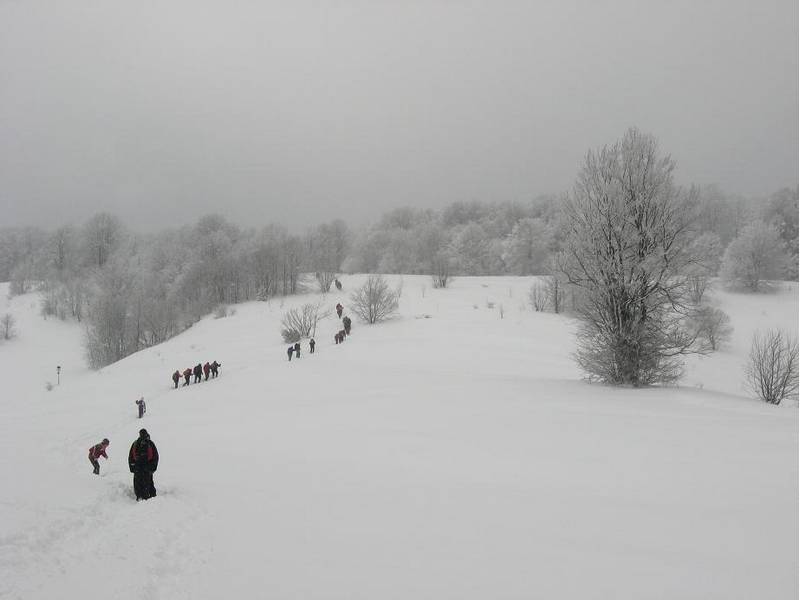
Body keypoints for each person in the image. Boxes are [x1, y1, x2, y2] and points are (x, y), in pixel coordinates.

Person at [128, 429, 159, 501]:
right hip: (146, 466)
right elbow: (155, 456)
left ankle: (141, 496)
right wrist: (153, 467)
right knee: (147, 482)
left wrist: (132, 466)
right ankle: (147, 496)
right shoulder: (149, 443)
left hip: (139, 466)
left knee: (139, 482)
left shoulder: (136, 443)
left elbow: (131, 456)